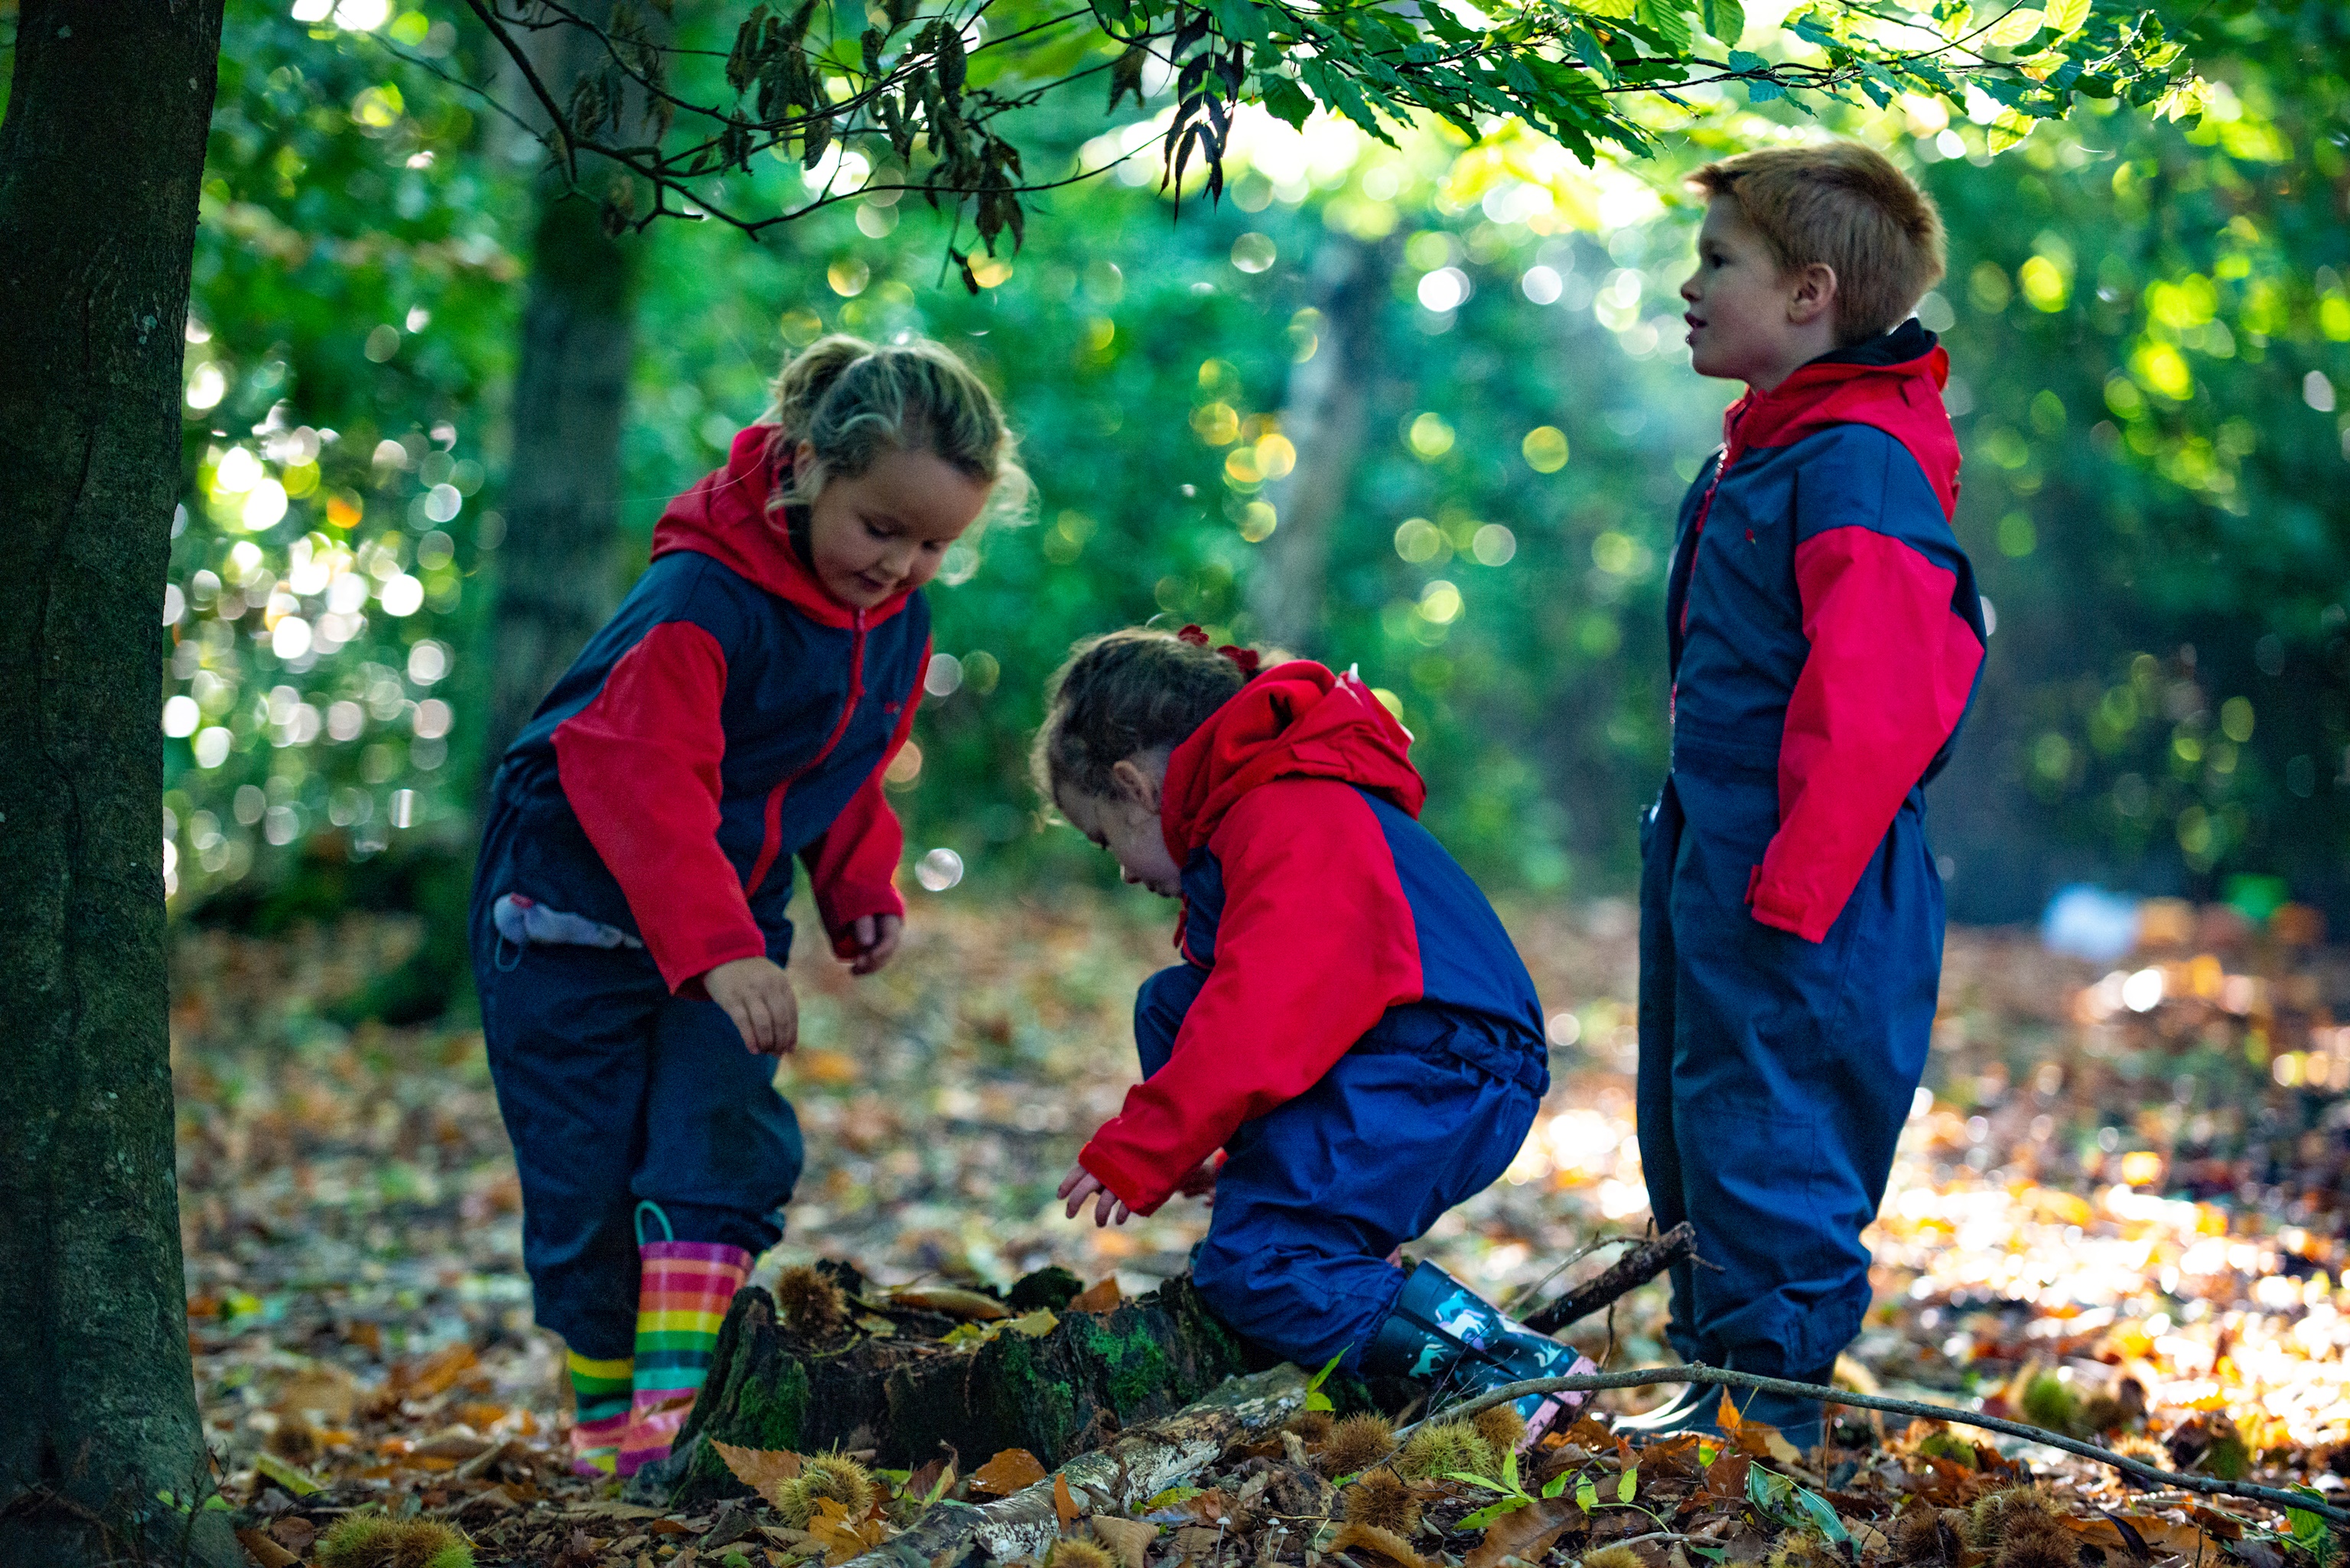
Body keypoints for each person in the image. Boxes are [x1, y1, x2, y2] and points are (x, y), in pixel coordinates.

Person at [470, 334, 1024, 1477]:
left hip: (723, 916)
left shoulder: (895, 622)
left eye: (934, 545)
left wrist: (856, 882)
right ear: (813, 466)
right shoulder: (701, 595)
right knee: (587, 1177)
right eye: (882, 526)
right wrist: (719, 949)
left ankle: (674, 1426)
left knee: (716, 1135)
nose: (901, 564)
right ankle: (601, 1431)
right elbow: (640, 776)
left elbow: (851, 758)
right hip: (571, 911)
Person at [1626, 141, 1986, 1448]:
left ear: (1807, 293)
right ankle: (1715, 1375)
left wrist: (1795, 880)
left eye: (1717, 260)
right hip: (1723, 848)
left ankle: (1772, 1411)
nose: (1688, 283)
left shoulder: (1853, 464)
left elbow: (1883, 700)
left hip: (1805, 870)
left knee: (1774, 1126)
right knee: (1696, 1112)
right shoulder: (1767, 453)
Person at [1036, 627, 1593, 1438]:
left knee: (1257, 1265)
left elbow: (1267, 1007)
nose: (1120, 869)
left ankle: (1506, 1373)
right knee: (1170, 1002)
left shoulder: (1288, 809)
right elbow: (1244, 1007)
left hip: (1445, 1065)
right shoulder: (1263, 806)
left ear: (1133, 786)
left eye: (1104, 837)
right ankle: (1327, 1251)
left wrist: (1146, 1142)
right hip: (1403, 1051)